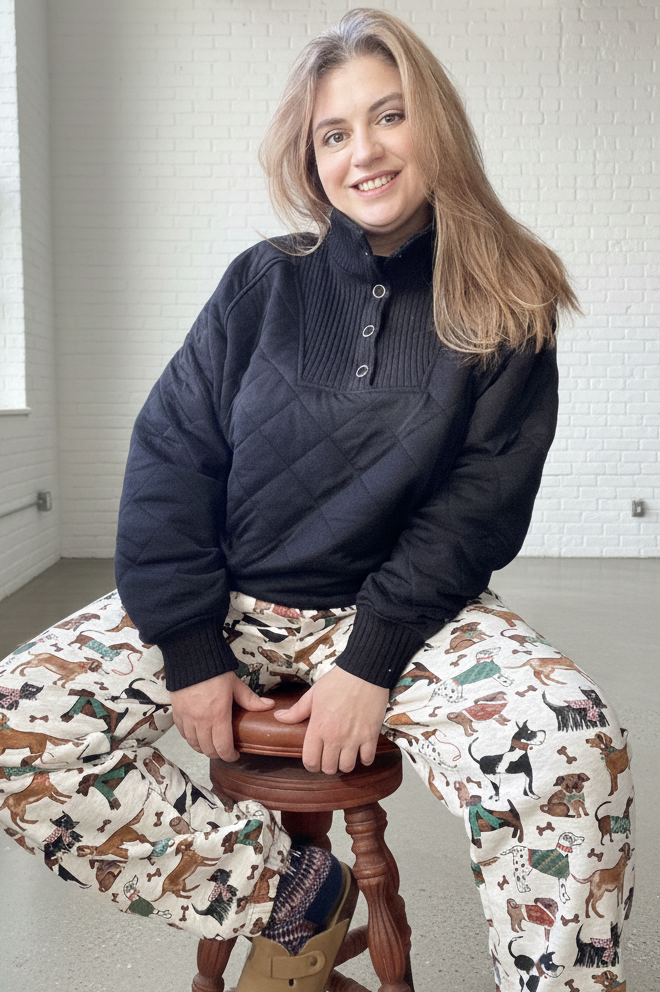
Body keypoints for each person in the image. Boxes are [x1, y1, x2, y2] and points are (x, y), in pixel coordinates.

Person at [0, 10, 633, 992]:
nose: (363, 152)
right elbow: (172, 457)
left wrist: (370, 658)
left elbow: (480, 503)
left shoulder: (511, 295)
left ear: (437, 124)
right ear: (312, 155)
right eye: (334, 133)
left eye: (389, 116)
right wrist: (189, 646)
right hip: (233, 596)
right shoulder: (263, 282)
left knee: (575, 748)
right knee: (14, 725)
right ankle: (291, 892)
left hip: (408, 613)